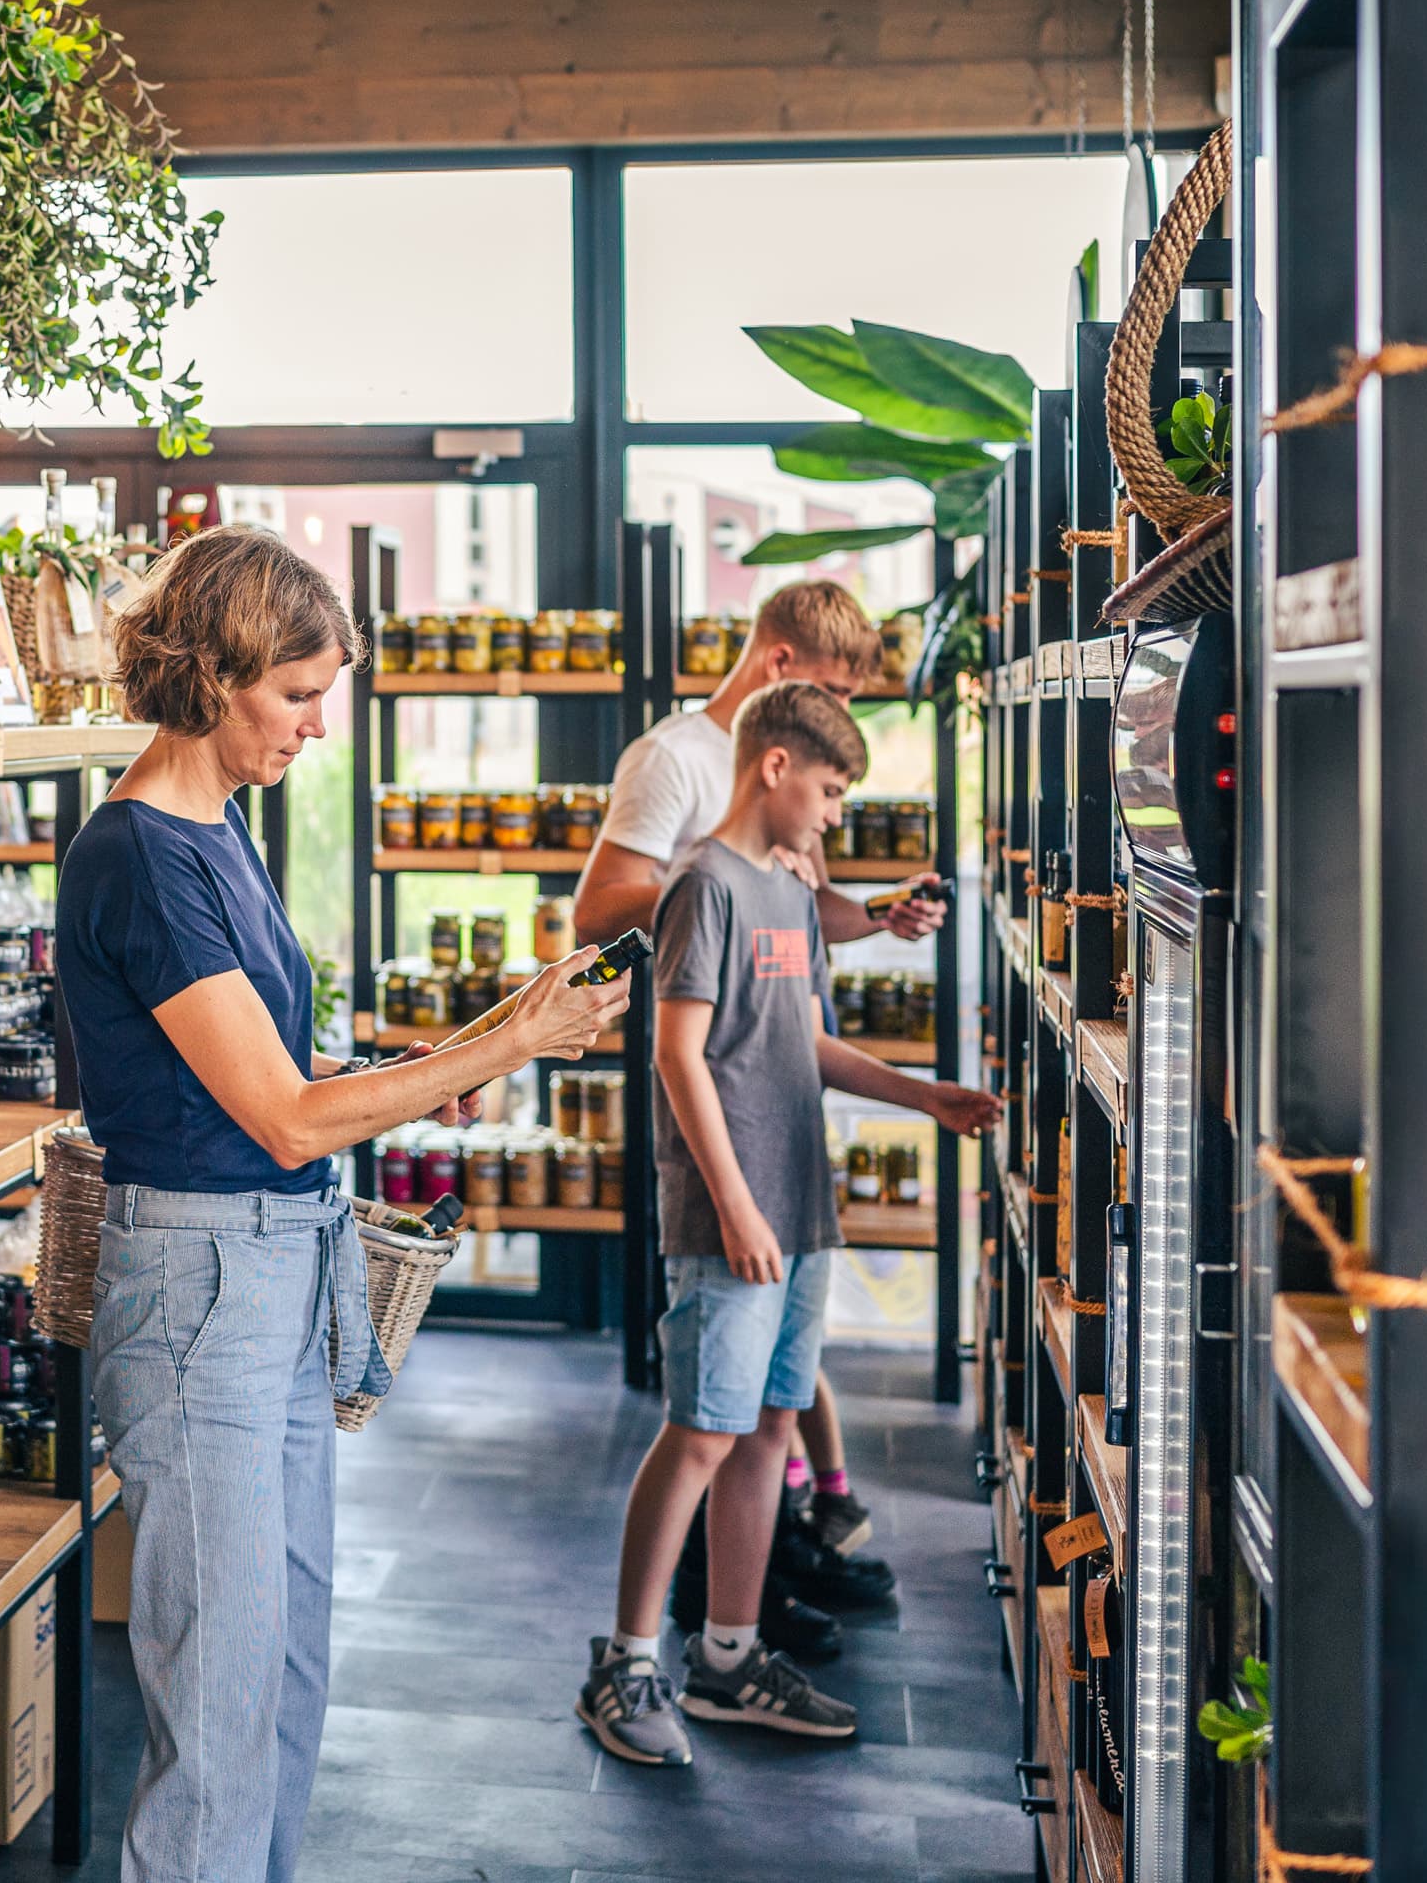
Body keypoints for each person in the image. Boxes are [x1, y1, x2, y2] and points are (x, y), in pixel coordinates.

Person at [57, 527, 632, 1882]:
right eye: (297, 694)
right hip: (198, 1291)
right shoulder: (137, 857)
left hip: (274, 1271)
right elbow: (283, 1118)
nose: (318, 725)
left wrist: (479, 1039)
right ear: (212, 675)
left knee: (285, 1669)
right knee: (217, 1703)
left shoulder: (222, 828)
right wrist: (502, 1048)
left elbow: (283, 1073)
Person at [579, 682, 1000, 1768]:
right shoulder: (702, 886)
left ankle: (727, 1657)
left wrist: (924, 1096)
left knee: (770, 1426)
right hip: (733, 1211)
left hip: (799, 1203)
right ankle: (624, 1665)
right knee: (700, 1432)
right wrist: (732, 1203)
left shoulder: (788, 890)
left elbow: (804, 1042)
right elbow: (678, 1054)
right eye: (827, 790)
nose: (832, 814)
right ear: (774, 767)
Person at [574, 578, 940, 1604]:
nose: (839, 718)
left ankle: (766, 1579)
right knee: (713, 1412)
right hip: (712, 1094)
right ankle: (698, 1614)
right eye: (832, 692)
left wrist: (872, 913)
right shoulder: (675, 759)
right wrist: (726, 884)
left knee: (768, 1394)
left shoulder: (789, 796)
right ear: (780, 667)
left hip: (777, 1109)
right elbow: (596, 913)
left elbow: (796, 918)